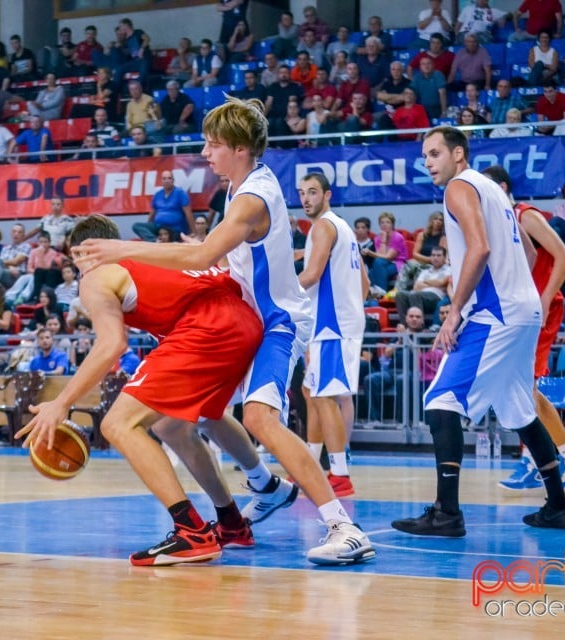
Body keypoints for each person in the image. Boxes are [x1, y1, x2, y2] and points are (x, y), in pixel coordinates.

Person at [71, 97, 376, 565]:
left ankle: (343, 525)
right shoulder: (242, 187)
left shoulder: (252, 197)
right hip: (246, 314)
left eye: (213, 145)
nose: (206, 154)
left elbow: (199, 258)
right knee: (180, 421)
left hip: (278, 321)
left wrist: (122, 248)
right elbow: (218, 254)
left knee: (259, 419)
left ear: (237, 147)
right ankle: (262, 489)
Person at [17, 215, 265, 565]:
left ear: (83, 253)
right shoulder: (158, 253)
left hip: (208, 329)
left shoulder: (96, 274)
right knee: (171, 426)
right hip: (247, 323)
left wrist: (61, 403)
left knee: (117, 424)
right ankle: (232, 522)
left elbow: (112, 344)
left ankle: (191, 531)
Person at [391, 127, 565, 538]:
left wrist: (455, 311)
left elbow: (480, 248)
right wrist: (517, 290)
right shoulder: (496, 191)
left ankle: (447, 512)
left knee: (441, 401)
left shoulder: (459, 186)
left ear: (459, 154)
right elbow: (528, 253)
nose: (428, 162)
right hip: (521, 309)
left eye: (435, 153)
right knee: (519, 409)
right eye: (424, 155)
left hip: (495, 312)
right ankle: (559, 507)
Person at [481, 165, 565, 489]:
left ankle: (557, 457)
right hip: (522, 312)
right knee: (523, 389)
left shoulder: (524, 214)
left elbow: (564, 256)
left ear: (501, 187)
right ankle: (555, 457)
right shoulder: (500, 223)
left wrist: (543, 299)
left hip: (543, 309)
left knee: (524, 388)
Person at [296, 173, 369, 499]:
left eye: (312, 192)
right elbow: (364, 281)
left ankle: (339, 474)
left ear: (327, 194)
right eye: (301, 193)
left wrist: (274, 294)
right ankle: (311, 464)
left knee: (325, 396)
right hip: (334, 322)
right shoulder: (343, 228)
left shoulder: (323, 226)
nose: (306, 198)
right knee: (310, 391)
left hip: (333, 325)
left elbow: (311, 276)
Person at [133, 171, 195, 241]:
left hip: (175, 229)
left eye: (169, 178)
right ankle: (155, 241)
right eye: (164, 179)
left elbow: (188, 214)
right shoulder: (157, 194)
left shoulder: (181, 193)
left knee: (171, 237)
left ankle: (158, 241)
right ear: (161, 181)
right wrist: (149, 228)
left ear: (173, 180)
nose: (167, 181)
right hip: (159, 227)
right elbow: (152, 215)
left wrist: (193, 232)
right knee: (136, 226)